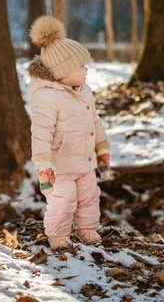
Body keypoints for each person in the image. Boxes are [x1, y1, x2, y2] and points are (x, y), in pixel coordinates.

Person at [26, 15, 110, 249]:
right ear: (64, 70)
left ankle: (87, 230)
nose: (86, 70)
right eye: (81, 66)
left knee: (89, 196)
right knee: (63, 200)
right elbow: (40, 131)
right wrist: (43, 162)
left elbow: (93, 121)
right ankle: (59, 235)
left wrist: (102, 148)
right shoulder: (46, 96)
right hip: (59, 165)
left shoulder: (84, 91)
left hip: (83, 161)